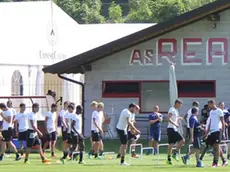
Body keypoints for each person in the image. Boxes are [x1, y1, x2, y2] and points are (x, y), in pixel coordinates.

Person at [204, 99, 227, 167]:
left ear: (213, 103)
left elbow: (222, 122)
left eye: (209, 104)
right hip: (212, 131)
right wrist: (207, 132)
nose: (208, 106)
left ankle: (215, 163)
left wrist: (223, 132)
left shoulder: (219, 111)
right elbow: (210, 122)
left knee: (216, 147)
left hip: (217, 130)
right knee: (215, 146)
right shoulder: (211, 112)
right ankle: (224, 160)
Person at [166, 99, 185, 165]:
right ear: (177, 103)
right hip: (172, 128)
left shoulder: (175, 111)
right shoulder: (172, 110)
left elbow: (174, 118)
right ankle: (175, 153)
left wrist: (179, 118)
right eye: (180, 105)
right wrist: (175, 124)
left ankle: (168, 159)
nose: (180, 106)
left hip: (171, 129)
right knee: (182, 140)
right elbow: (168, 118)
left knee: (171, 144)